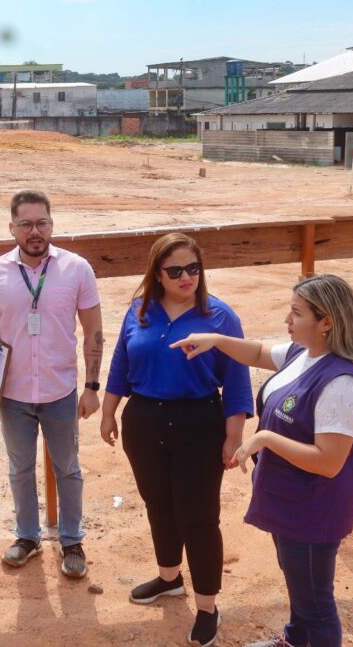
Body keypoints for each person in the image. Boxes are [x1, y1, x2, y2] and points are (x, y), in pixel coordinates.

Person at [172, 274, 353, 647]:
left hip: (314, 510)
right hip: (290, 500)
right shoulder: (305, 354)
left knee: (315, 600)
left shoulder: (341, 383)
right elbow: (256, 353)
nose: (288, 319)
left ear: (326, 322)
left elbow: (328, 462)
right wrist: (215, 340)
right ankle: (296, 639)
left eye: (297, 313)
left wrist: (265, 438)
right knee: (299, 585)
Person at [100, 232, 252, 647]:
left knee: (198, 517)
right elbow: (120, 364)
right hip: (144, 420)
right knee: (159, 505)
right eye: (176, 270)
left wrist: (233, 436)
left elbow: (237, 380)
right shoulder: (140, 311)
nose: (187, 277)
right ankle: (169, 578)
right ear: (158, 274)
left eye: (193, 268)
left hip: (198, 422)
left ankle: (207, 606)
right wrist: (109, 411)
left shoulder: (219, 317)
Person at [0, 189, 102, 578]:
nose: (34, 231)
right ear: (11, 228)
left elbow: (93, 329)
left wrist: (92, 386)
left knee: (68, 468)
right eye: (25, 224)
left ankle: (72, 539)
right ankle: (27, 536)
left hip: (61, 391)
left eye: (41, 222)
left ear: (52, 224)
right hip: (13, 394)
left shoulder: (76, 269)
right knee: (20, 468)